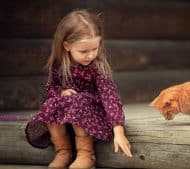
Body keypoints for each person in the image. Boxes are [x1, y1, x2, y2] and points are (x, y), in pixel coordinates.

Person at [25, 9, 132, 169]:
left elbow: (110, 98)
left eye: (94, 49)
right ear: (67, 46)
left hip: (93, 113)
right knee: (52, 103)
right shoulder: (59, 64)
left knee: (78, 100)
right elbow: (51, 86)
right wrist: (61, 92)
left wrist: (119, 131)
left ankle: (86, 154)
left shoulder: (97, 67)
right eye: (84, 51)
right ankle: (63, 151)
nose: (90, 55)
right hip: (68, 112)